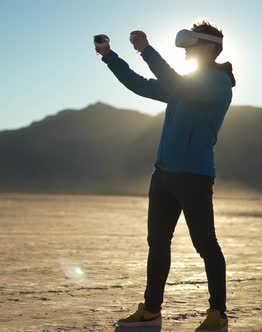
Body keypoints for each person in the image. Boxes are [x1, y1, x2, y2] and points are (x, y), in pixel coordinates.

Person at [95, 19, 235, 332]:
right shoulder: (183, 85)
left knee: (205, 245)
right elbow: (140, 85)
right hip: (163, 175)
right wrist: (109, 56)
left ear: (210, 47)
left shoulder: (217, 82)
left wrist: (146, 50)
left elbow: (175, 83)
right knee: (157, 243)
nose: (186, 52)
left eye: (191, 46)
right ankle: (151, 310)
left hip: (194, 175)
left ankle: (218, 313)